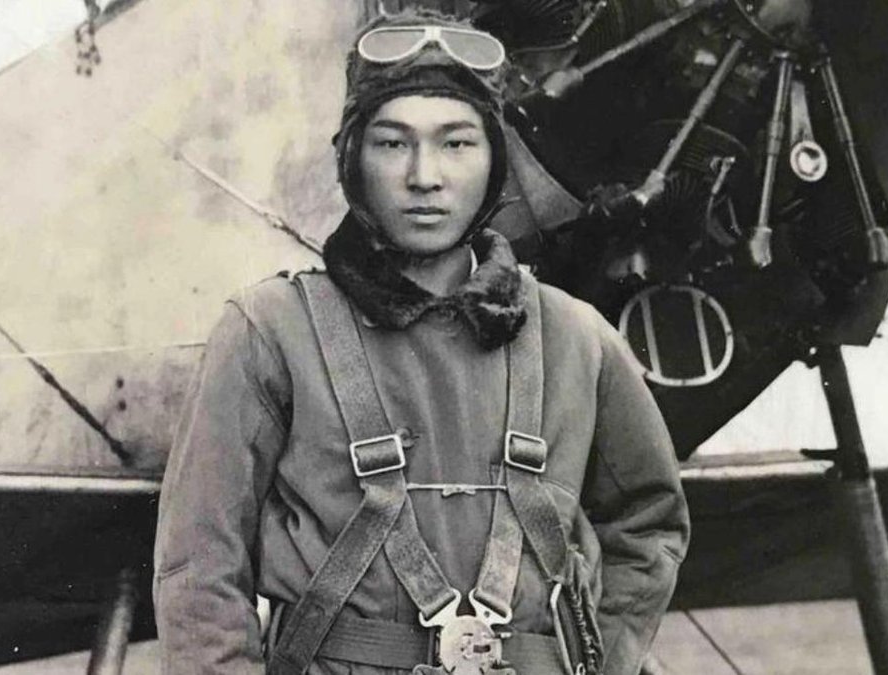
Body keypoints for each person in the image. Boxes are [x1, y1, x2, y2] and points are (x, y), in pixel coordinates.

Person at [153, 9, 688, 675]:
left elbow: (650, 520)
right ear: (352, 158)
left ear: (496, 163)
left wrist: (598, 658)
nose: (425, 175)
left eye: (457, 143)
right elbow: (199, 564)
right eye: (392, 143)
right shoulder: (268, 330)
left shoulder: (577, 338)